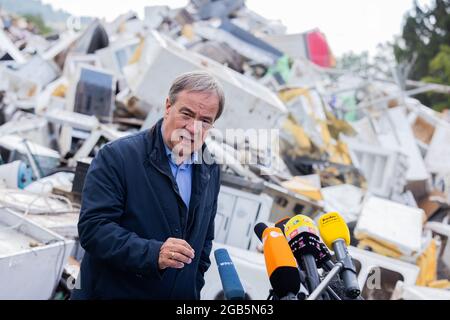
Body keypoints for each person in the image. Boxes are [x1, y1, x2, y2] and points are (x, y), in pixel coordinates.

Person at [71, 71, 224, 299]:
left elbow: (204, 243)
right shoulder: (117, 157)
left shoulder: (210, 169)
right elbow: (93, 230)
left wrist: (191, 289)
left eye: (205, 121)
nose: (193, 128)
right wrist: (154, 254)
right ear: (167, 106)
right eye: (186, 114)